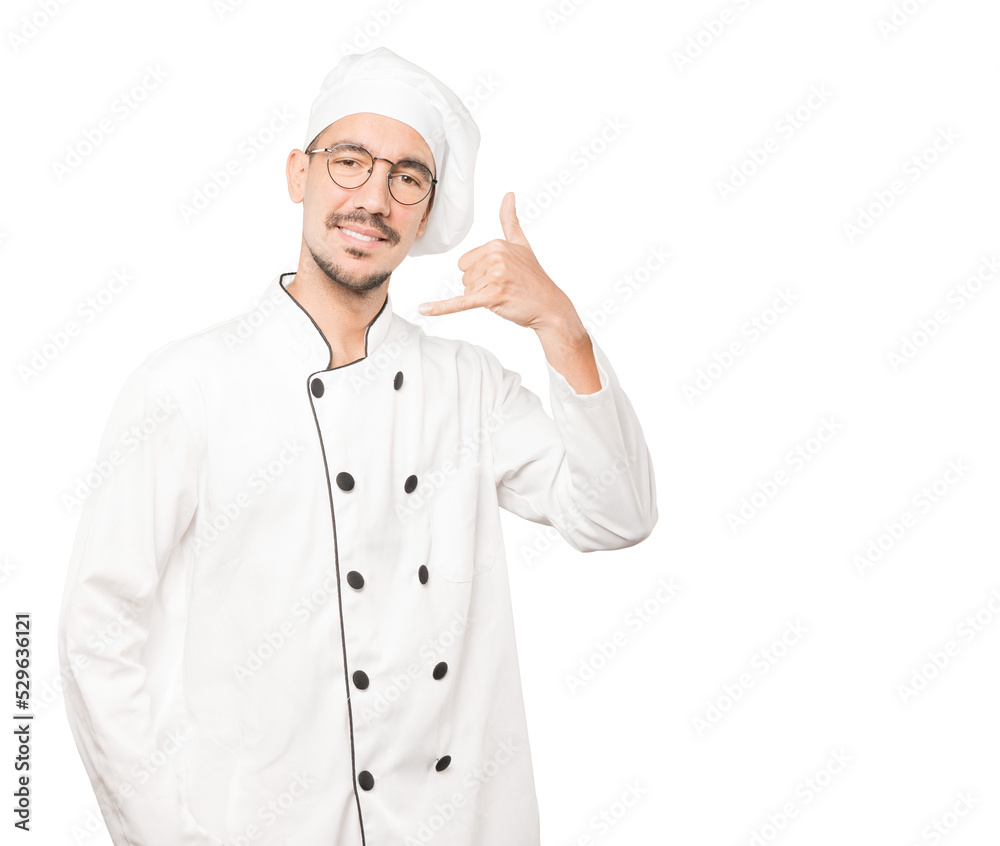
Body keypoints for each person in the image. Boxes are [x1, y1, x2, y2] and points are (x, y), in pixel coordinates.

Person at [57, 46, 658, 846]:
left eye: (406, 177)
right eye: (349, 162)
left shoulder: (468, 386)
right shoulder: (188, 385)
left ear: (424, 208)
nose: (373, 197)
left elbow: (615, 516)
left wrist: (561, 326)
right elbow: (96, 630)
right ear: (299, 175)